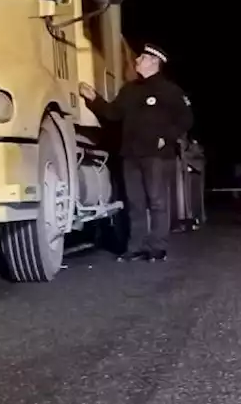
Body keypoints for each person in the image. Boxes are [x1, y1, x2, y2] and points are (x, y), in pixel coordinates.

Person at [80, 43, 193, 262]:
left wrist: (166, 137)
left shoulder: (169, 90)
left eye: (142, 57)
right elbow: (113, 113)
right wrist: (93, 99)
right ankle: (136, 247)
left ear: (154, 62)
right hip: (130, 155)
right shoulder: (130, 90)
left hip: (156, 155)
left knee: (158, 201)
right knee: (135, 203)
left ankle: (157, 247)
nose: (137, 60)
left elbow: (186, 119)